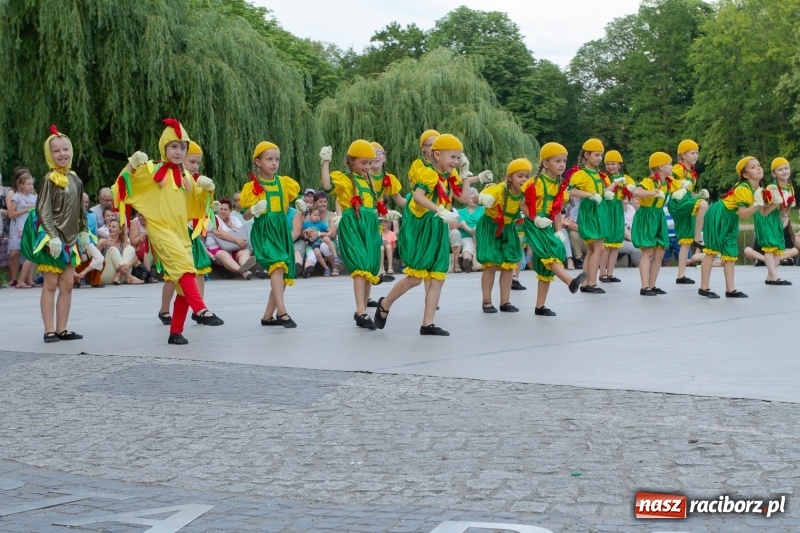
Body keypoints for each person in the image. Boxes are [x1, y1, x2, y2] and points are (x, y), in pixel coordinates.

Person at [114, 118, 224, 344]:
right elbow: (122, 185)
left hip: (181, 232)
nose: (178, 151)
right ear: (164, 147)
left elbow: (197, 205)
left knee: (186, 279)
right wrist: (132, 165)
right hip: (160, 230)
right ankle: (201, 309)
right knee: (184, 270)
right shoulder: (151, 170)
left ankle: (176, 332)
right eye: (173, 146)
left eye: (182, 147)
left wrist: (208, 191)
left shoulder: (185, 177)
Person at [373, 133, 486, 336]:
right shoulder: (427, 173)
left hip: (438, 226)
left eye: (458, 157)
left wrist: (466, 174)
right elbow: (417, 197)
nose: (455, 161)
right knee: (416, 277)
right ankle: (385, 304)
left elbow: (462, 197)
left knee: (437, 277)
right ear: (436, 155)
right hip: (422, 227)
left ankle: (428, 323)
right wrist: (439, 209)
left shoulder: (449, 176)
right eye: (452, 157)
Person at [21, 125, 93, 342]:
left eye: (65, 149)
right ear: (49, 154)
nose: (62, 154)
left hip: (71, 241)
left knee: (68, 284)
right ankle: (49, 329)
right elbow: (43, 210)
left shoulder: (75, 179)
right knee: (50, 284)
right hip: (53, 240)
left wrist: (84, 232)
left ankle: (63, 328)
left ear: (71, 151)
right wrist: (52, 236)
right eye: (56, 151)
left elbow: (81, 210)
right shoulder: (48, 180)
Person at [320, 140, 393, 329]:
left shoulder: (368, 181)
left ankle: (363, 310)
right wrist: (325, 162)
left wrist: (385, 214)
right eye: (363, 163)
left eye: (370, 163)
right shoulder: (344, 178)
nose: (367, 167)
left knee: (368, 267)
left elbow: (373, 205)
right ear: (351, 161)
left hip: (369, 226)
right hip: (353, 224)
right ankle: (360, 311)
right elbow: (327, 186)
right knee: (360, 265)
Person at [520, 143, 587, 316]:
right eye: (557, 161)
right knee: (551, 252)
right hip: (534, 223)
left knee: (546, 265)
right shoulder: (536, 183)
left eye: (564, 161)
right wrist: (534, 218)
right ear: (545, 163)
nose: (562, 164)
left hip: (548, 223)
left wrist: (558, 230)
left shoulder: (559, 185)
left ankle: (540, 306)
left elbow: (557, 211)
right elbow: (523, 204)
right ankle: (570, 281)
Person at [240, 141, 301, 328]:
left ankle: (268, 316)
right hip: (265, 230)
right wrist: (254, 209)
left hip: (281, 228)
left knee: (281, 270)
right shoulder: (252, 186)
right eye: (269, 159)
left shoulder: (283, 182)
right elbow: (245, 214)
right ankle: (282, 313)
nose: (274, 163)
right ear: (258, 162)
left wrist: (300, 206)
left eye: (277, 159)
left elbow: (285, 204)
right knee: (277, 265)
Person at [698, 156, 768, 298]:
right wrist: (757, 204)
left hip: (731, 217)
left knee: (730, 252)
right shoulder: (743, 188)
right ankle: (704, 287)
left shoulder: (759, 189)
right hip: (719, 213)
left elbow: (763, 212)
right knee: (712, 251)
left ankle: (730, 289)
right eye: (753, 167)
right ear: (745, 175)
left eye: (759, 165)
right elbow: (743, 214)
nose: (758, 168)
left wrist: (777, 202)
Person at [476, 158, 528, 313]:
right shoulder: (499, 190)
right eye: (520, 176)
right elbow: (474, 198)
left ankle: (505, 302)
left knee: (508, 265)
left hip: (508, 227)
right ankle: (487, 301)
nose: (524, 179)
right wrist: (480, 198)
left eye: (527, 176)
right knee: (490, 264)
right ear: (510, 177)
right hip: (490, 226)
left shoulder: (524, 194)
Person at [568, 138, 608, 293]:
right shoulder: (581, 174)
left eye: (601, 155)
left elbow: (599, 191)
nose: (599, 158)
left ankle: (585, 283)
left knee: (592, 250)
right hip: (589, 213)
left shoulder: (598, 173)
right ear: (586, 155)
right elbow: (571, 191)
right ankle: (592, 282)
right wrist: (590, 195)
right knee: (599, 248)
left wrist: (606, 194)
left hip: (598, 212)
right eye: (596, 155)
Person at [632, 152, 673, 296]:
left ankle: (652, 284)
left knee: (660, 252)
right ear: (661, 167)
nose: (672, 166)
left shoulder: (668, 182)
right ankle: (644, 286)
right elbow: (636, 192)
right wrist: (653, 193)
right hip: (647, 216)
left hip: (659, 216)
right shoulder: (649, 181)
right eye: (669, 163)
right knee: (648, 251)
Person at [669, 139, 710, 284]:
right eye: (692, 153)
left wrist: (697, 196)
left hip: (686, 200)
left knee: (685, 240)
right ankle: (698, 238)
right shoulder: (678, 169)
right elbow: (669, 183)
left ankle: (681, 275)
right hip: (678, 202)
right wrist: (678, 186)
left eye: (697, 153)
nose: (696, 155)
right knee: (703, 205)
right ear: (682, 155)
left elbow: (689, 193)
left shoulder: (691, 172)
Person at [750, 157, 795, 285]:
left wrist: (784, 220)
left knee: (777, 248)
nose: (784, 171)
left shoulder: (789, 188)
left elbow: (786, 208)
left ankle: (770, 276)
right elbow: (765, 207)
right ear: (774, 174)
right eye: (780, 170)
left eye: (786, 168)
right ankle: (775, 276)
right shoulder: (772, 188)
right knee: (769, 247)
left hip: (777, 219)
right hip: (766, 217)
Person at [599, 150, 635, 283]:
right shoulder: (603, 177)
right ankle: (602, 273)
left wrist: (627, 197)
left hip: (618, 211)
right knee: (607, 244)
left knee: (615, 244)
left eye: (613, 164)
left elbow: (631, 193)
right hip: (607, 210)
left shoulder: (626, 179)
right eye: (608, 164)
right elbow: (603, 192)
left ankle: (610, 273)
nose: (610, 167)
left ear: (619, 164)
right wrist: (615, 183)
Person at [7, 169, 38, 288]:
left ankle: (29, 279)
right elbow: (11, 214)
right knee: (28, 253)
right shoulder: (17, 197)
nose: (31, 186)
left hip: (32, 227)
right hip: (21, 228)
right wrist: (26, 209)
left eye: (32, 184)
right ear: (21, 185)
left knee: (33, 254)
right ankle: (20, 280)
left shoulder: (34, 197)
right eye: (28, 184)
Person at [97, 219, 142, 285]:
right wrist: (103, 244)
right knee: (113, 249)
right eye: (109, 226)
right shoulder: (102, 241)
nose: (110, 228)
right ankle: (129, 276)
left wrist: (127, 265)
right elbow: (94, 256)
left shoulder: (124, 243)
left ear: (120, 230)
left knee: (130, 248)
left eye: (113, 227)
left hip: (121, 278)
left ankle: (118, 276)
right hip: (106, 276)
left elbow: (135, 259)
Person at [301, 206, 334, 277]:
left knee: (322, 247)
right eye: (315, 215)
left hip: (320, 241)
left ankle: (335, 258)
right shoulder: (306, 224)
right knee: (317, 253)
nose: (317, 217)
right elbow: (302, 234)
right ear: (310, 215)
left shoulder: (321, 224)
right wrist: (306, 231)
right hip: (313, 243)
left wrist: (326, 234)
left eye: (318, 215)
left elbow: (330, 230)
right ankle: (326, 268)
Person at [456, 188, 483, 272]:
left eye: (474, 198)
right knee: (468, 244)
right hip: (467, 235)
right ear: (466, 199)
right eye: (471, 198)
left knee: (480, 241)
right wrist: (472, 232)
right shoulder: (461, 211)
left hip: (481, 234)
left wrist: (476, 232)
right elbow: (463, 224)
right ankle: (466, 261)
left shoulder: (484, 209)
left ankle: (479, 263)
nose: (473, 200)